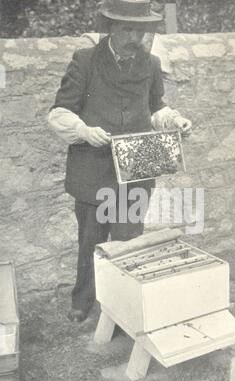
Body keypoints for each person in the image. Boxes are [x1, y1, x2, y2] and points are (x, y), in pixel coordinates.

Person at [48, 0, 192, 322]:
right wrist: (84, 130)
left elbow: (155, 108)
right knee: (91, 241)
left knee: (129, 241)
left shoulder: (151, 64)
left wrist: (175, 121)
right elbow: (59, 112)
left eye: (140, 29)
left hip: (136, 167)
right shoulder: (85, 61)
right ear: (110, 27)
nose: (134, 36)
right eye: (127, 28)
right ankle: (83, 301)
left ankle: (122, 309)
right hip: (92, 170)